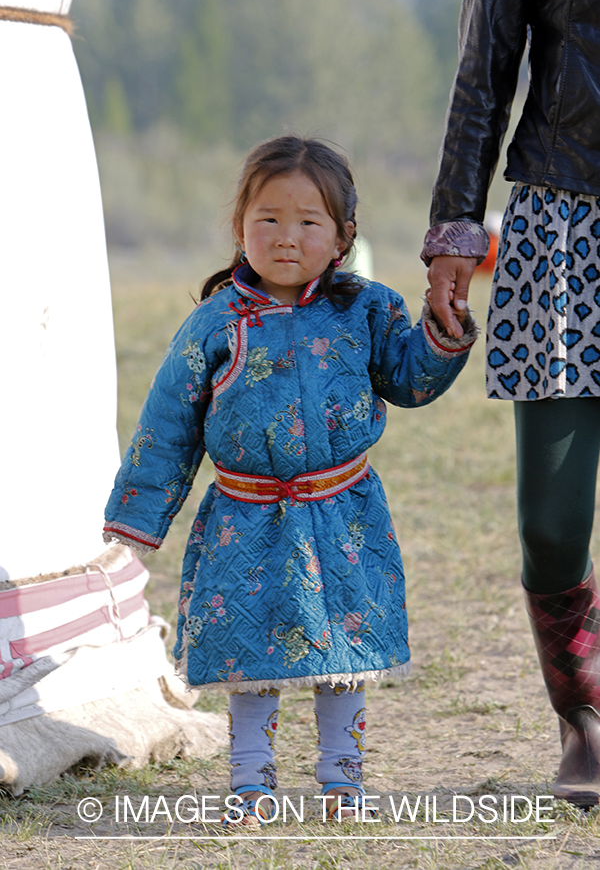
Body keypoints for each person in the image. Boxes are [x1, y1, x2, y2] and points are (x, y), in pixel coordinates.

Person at [104, 135, 477, 826]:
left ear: (343, 236)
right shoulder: (212, 325)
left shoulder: (367, 310)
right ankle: (251, 789)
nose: (285, 237)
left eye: (309, 222)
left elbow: (408, 378)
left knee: (344, 654)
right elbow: (167, 426)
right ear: (240, 226)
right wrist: (137, 521)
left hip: (346, 513)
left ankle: (343, 784)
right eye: (267, 219)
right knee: (252, 657)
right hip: (246, 518)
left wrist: (442, 332)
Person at [422, 0, 600, 807]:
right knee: (552, 521)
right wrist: (457, 226)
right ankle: (585, 721)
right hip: (560, 225)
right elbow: (483, 69)